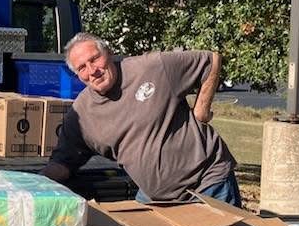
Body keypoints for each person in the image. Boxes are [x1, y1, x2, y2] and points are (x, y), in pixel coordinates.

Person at [44, 32, 241, 206]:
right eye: (82, 68)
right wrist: (31, 181)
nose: (92, 70)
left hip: (208, 183)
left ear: (108, 53)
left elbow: (210, 60)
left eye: (95, 59)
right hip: (157, 198)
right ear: (77, 75)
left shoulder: (152, 67)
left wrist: (201, 111)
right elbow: (62, 163)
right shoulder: (82, 114)